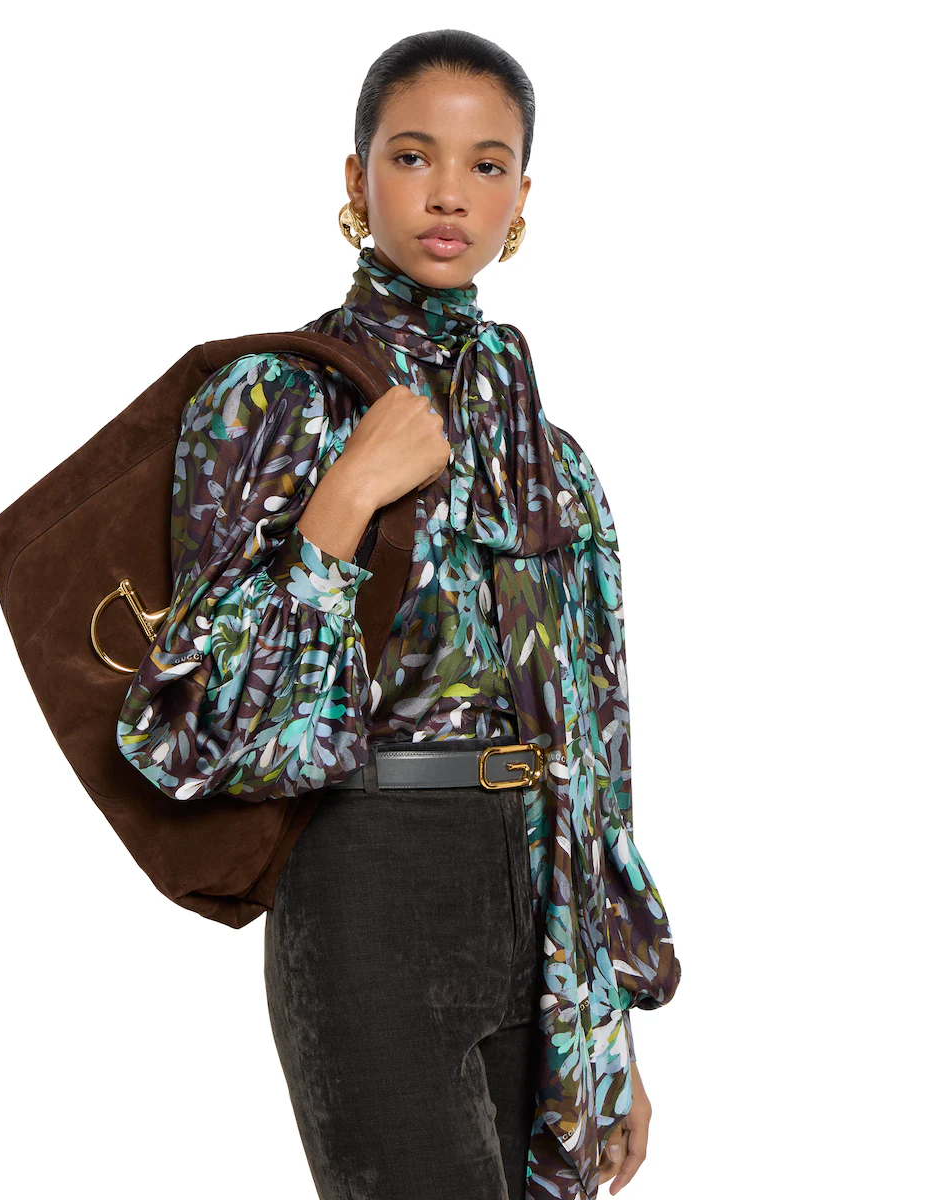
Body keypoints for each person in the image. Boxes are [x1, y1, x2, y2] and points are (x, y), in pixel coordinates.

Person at [116, 29, 681, 1200]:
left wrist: (610, 1020)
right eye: (414, 155)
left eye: (487, 164)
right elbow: (200, 729)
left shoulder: (554, 462)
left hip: (542, 897)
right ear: (356, 176)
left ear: (522, 198)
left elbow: (597, 740)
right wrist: (344, 503)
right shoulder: (271, 399)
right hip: (369, 880)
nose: (449, 193)